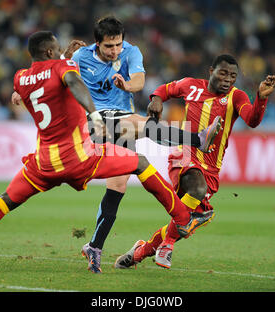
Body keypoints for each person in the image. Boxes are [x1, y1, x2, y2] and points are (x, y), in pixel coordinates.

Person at [0, 31, 214, 275]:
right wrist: (93, 112)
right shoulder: (66, 69)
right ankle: (181, 217)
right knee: (139, 161)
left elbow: (34, 84)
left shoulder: (21, 78)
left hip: (42, 165)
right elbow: (73, 82)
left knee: (4, 202)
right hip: (80, 157)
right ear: (52, 51)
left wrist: (63, 58)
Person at [60, 16, 222, 273]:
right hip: (95, 121)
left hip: (120, 124)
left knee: (118, 187)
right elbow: (55, 77)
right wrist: (57, 61)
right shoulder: (81, 58)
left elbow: (139, 81)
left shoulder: (131, 52)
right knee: (143, 123)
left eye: (118, 45)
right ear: (97, 44)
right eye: (109, 47)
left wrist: (127, 84)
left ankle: (94, 246)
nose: (115, 51)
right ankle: (197, 139)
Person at [114, 54, 275, 269]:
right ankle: (167, 246)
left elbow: (252, 120)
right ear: (211, 71)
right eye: (223, 73)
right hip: (184, 156)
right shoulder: (191, 85)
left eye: (233, 76)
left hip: (211, 168)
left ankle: (141, 251)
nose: (228, 79)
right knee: (196, 193)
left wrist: (261, 99)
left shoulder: (237, 97)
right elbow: (164, 90)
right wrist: (156, 99)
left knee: (187, 220)